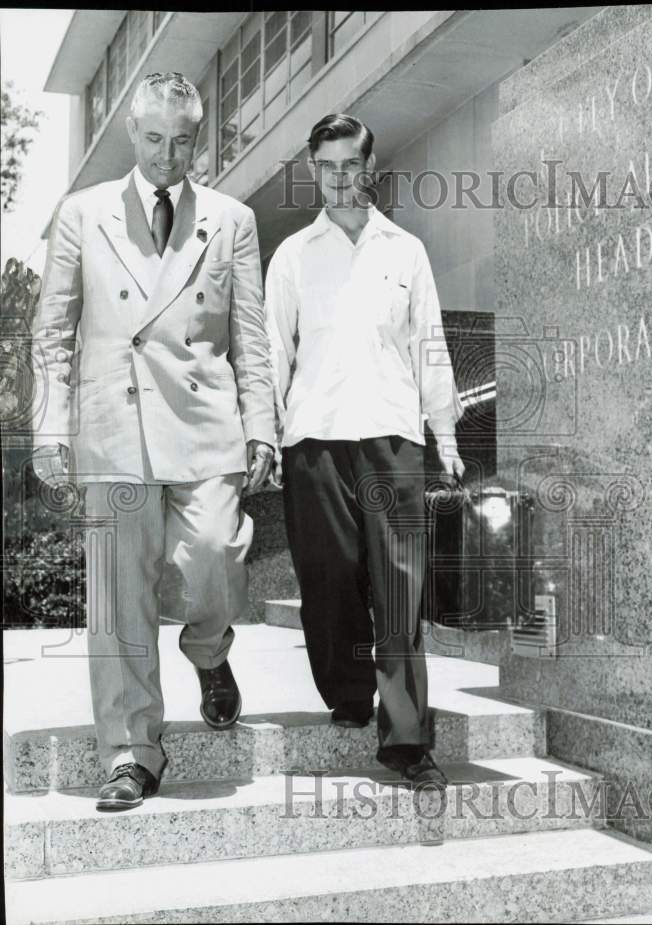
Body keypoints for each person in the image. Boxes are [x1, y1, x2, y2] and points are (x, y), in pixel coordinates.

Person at [31, 72, 275, 811]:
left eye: (183, 141)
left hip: (206, 422)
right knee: (117, 598)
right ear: (131, 135)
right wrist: (51, 424)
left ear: (198, 139)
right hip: (113, 425)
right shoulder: (82, 213)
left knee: (211, 559)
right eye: (155, 139)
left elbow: (252, 338)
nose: (168, 156)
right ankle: (130, 751)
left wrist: (263, 424)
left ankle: (208, 649)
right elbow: (53, 331)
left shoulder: (231, 219)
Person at [265, 113, 464, 789]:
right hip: (315, 438)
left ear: (370, 167)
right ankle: (348, 691)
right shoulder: (293, 256)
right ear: (313, 170)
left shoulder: (404, 250)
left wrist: (448, 431)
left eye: (351, 164)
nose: (340, 178)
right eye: (327, 166)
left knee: (400, 587)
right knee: (329, 576)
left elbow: (428, 342)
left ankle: (408, 740)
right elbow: (273, 353)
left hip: (392, 436)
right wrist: (264, 431)